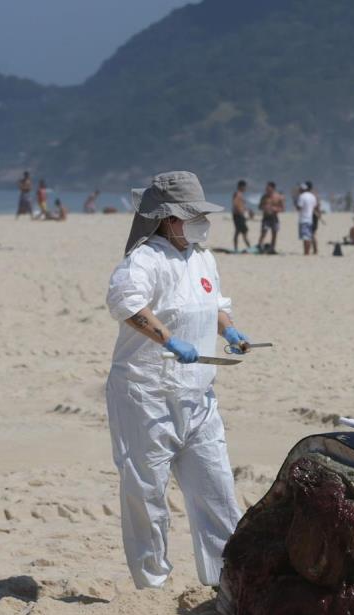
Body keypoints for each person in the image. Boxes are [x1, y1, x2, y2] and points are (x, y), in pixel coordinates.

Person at [105, 170, 254, 589]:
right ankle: (152, 584)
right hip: (145, 392)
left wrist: (231, 331)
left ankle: (227, 580)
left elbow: (214, 305)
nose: (200, 223)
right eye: (192, 216)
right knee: (146, 491)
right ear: (169, 218)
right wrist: (169, 340)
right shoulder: (145, 260)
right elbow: (125, 302)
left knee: (217, 488)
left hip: (199, 395)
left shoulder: (204, 258)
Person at [257, 181, 283, 253]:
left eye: (268, 188)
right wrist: (264, 207)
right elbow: (259, 206)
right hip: (266, 218)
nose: (266, 189)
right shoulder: (264, 197)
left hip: (274, 218)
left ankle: (272, 248)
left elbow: (282, 209)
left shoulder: (278, 197)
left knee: (274, 233)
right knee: (263, 233)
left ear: (273, 188)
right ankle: (260, 247)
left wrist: (275, 209)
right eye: (266, 188)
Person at [296, 182, 318, 255]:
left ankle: (306, 252)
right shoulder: (312, 196)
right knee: (310, 236)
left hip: (304, 219)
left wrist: (295, 202)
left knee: (306, 238)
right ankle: (313, 251)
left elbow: (299, 207)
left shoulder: (302, 196)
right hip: (310, 219)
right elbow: (315, 207)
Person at [231, 180, 250, 252]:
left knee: (242, 231)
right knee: (239, 231)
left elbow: (240, 205)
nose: (246, 188)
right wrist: (240, 212)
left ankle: (247, 247)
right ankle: (237, 248)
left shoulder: (240, 194)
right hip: (238, 216)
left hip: (239, 215)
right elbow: (235, 204)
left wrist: (247, 210)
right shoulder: (237, 194)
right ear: (241, 187)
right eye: (245, 187)